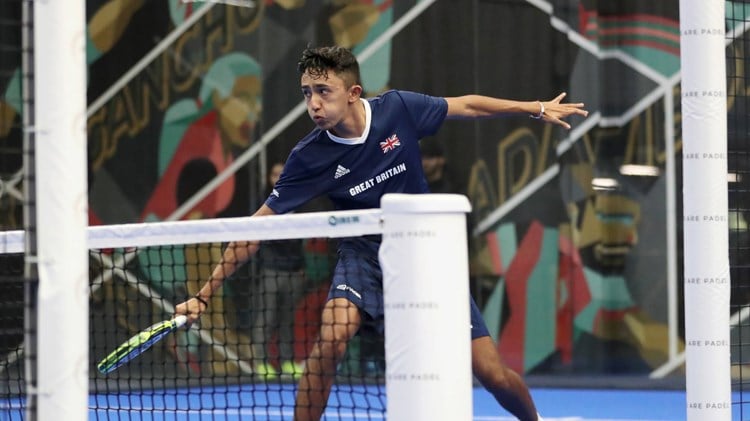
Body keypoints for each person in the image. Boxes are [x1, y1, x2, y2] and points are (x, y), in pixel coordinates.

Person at [175, 45, 587, 421]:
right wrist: (203, 295)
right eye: (306, 93)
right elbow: (258, 225)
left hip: (424, 255)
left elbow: (467, 106)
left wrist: (534, 108)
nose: (313, 104)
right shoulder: (308, 157)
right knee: (333, 337)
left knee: (492, 374)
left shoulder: (398, 110)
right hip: (362, 257)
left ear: (354, 92)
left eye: (323, 91)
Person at [251, 162, 306, 379]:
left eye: (281, 173)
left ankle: (287, 362)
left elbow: (301, 237)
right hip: (271, 270)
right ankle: (261, 364)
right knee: (266, 318)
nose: (278, 177)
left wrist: (301, 265)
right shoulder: (263, 204)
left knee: (288, 320)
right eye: (274, 173)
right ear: (268, 178)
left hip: (294, 271)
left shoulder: (298, 199)